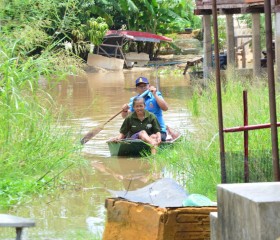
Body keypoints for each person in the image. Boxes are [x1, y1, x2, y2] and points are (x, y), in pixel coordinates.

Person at [121, 76, 168, 141]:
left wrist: (155, 94)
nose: (143, 88)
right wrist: (124, 110)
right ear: (136, 88)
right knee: (124, 136)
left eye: (145, 86)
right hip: (139, 130)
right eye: (140, 86)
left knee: (156, 137)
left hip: (156, 129)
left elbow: (165, 108)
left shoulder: (156, 95)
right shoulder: (134, 100)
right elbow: (125, 116)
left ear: (149, 86)